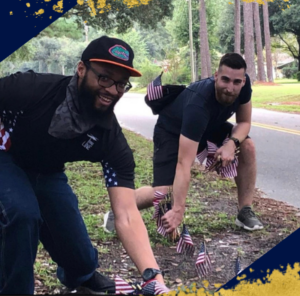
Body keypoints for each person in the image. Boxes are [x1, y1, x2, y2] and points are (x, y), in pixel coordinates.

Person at [0, 36, 167, 295]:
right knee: (22, 214)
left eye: (121, 84)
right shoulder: (32, 88)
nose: (113, 90)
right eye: (105, 78)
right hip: (5, 158)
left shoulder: (110, 139)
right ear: (81, 70)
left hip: (47, 172)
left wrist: (153, 279)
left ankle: (80, 277)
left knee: (82, 261)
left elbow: (125, 214)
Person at [104, 52, 263, 234]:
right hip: (172, 130)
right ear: (216, 76)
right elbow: (184, 164)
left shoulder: (244, 86)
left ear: (243, 81)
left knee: (247, 146)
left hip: (211, 126)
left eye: (236, 82)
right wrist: (178, 209)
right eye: (225, 80)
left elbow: (244, 122)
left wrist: (231, 144)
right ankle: (119, 209)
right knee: (163, 192)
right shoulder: (199, 105)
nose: (230, 87)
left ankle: (245, 211)